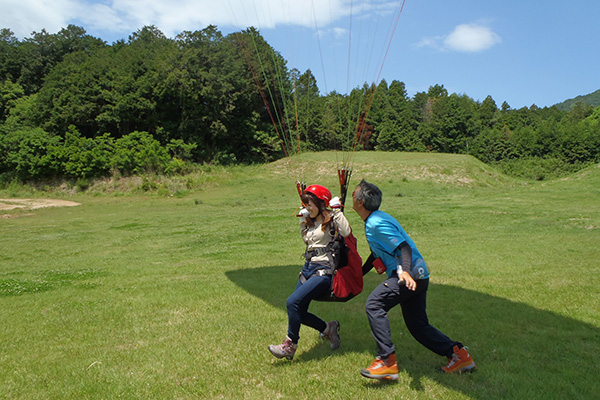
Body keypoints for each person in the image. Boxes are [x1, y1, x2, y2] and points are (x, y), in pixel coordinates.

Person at [351, 179, 476, 379]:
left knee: (374, 305)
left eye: (354, 194)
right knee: (418, 326)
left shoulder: (376, 223)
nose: (352, 195)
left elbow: (403, 247)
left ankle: (386, 361)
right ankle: (460, 356)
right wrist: (358, 273)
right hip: (419, 275)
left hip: (409, 275)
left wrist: (406, 272)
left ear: (360, 203)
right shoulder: (376, 219)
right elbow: (378, 254)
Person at [268, 184, 352, 360]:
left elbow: (346, 232)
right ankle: (328, 328)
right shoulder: (312, 222)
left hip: (324, 271)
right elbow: (307, 240)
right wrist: (302, 222)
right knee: (298, 310)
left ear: (321, 204)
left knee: (292, 302)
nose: (307, 207)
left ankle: (290, 345)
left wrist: (337, 211)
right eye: (306, 204)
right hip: (308, 269)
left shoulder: (331, 221)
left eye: (310, 204)